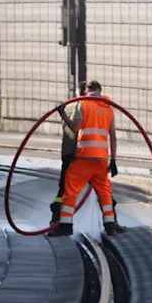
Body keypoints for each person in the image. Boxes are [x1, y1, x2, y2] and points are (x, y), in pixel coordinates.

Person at [49, 81, 125, 237]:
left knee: (70, 191)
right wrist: (114, 160)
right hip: (101, 159)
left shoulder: (81, 105)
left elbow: (75, 128)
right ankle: (110, 225)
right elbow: (113, 137)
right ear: (100, 90)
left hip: (83, 157)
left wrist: (62, 113)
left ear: (85, 91)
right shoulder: (108, 108)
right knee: (104, 192)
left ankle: (65, 225)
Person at [50, 82, 87, 225]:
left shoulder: (67, 107)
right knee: (101, 188)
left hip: (67, 153)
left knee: (64, 189)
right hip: (83, 154)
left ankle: (56, 219)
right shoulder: (87, 107)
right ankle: (110, 220)